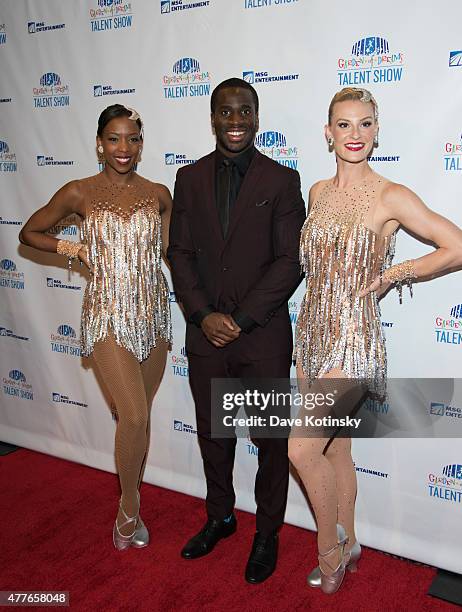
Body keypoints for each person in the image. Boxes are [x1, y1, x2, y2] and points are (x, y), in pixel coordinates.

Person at [289, 87, 462, 594]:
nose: (355, 135)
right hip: (313, 335)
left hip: (354, 338)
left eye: (365, 124)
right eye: (344, 125)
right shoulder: (318, 192)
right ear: (328, 132)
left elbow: (455, 245)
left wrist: (398, 272)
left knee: (300, 450)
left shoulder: (392, 195)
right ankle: (354, 540)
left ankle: (331, 552)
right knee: (335, 450)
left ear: (377, 131)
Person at [168, 78, 305, 583]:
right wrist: (203, 315)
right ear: (212, 117)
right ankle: (220, 518)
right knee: (213, 436)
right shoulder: (189, 177)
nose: (236, 121)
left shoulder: (282, 181)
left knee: (271, 441)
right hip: (206, 337)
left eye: (245, 111)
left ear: (256, 116)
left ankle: (266, 532)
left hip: (262, 338)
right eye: (226, 112)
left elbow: (291, 263)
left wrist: (242, 319)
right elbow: (179, 253)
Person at [19, 104, 172, 550]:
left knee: (137, 423)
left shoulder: (159, 194)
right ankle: (127, 513)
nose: (123, 148)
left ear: (141, 145)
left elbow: (173, 251)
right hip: (106, 314)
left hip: (155, 316)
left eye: (132, 139)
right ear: (99, 143)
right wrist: (75, 249)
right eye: (114, 138)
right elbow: (29, 232)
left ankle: (132, 503)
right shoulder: (78, 192)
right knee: (136, 414)